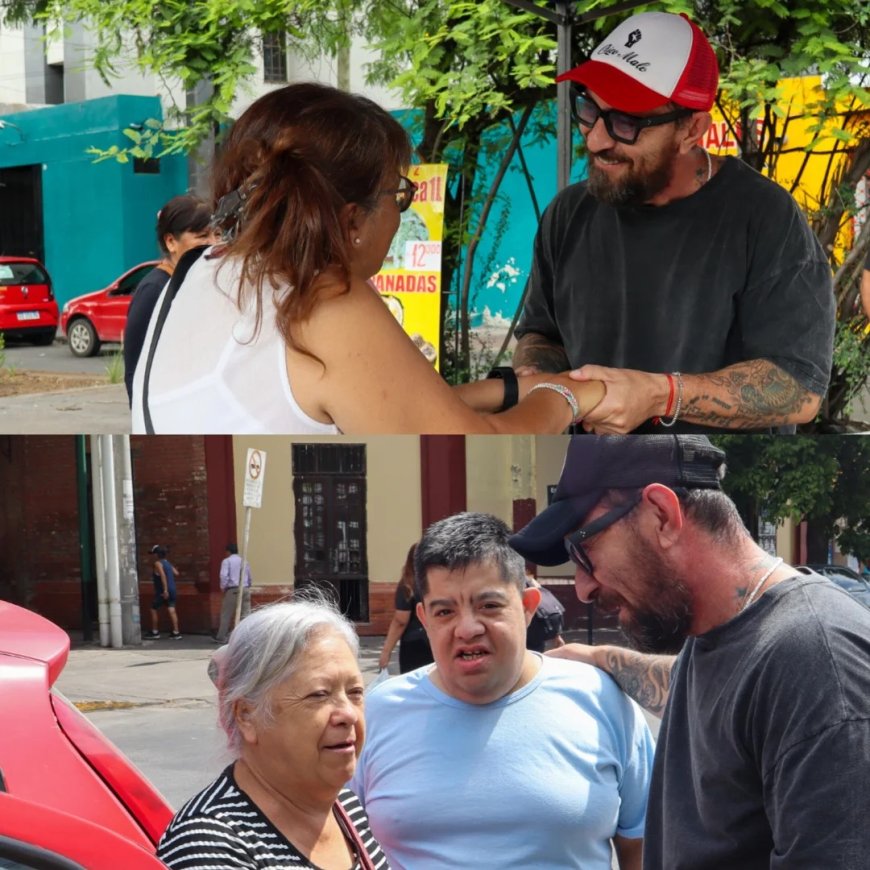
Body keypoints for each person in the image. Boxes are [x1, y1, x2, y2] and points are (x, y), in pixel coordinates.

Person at [130, 82, 605, 434]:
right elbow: (481, 448)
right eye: (400, 195)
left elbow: (384, 407)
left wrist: (506, 389)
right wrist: (571, 395)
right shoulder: (321, 299)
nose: (403, 214)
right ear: (353, 221)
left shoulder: (203, 268)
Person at [509, 435, 870, 869]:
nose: (583, 588)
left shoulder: (815, 658)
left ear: (661, 515)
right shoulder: (718, 634)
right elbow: (715, 698)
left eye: (582, 551)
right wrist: (598, 658)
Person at [513, 11, 835, 434]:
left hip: (716, 489)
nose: (595, 139)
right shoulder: (569, 214)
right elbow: (542, 335)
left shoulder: (765, 219)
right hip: (593, 482)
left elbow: (798, 388)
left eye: (627, 122)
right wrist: (545, 383)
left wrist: (660, 395)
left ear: (691, 128)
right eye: (590, 108)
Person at [351, 512, 654, 870]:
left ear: (528, 607)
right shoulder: (375, 714)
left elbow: (643, 843)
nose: (467, 628)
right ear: (424, 618)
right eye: (445, 611)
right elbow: (335, 839)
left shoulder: (601, 700)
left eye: (489, 606)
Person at [157, 597, 389, 869]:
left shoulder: (344, 806)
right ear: (247, 716)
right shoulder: (211, 844)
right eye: (319, 695)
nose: (348, 714)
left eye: (355, 693)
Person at [123, 195, 219, 403]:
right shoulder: (153, 291)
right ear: (171, 242)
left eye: (217, 234)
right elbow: (135, 373)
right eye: (203, 236)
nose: (212, 243)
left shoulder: (197, 284)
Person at [377, 544, 433, 674]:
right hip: (436, 639)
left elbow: (400, 621)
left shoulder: (407, 585)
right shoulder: (438, 583)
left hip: (414, 643)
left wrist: (386, 651)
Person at [213, 542, 252, 644]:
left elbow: (224, 576)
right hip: (245, 588)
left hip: (233, 589)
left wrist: (223, 587)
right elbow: (249, 575)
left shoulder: (227, 561)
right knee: (246, 614)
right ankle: (246, 636)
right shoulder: (244, 561)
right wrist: (248, 585)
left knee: (226, 614)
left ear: (228, 551)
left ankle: (221, 636)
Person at [524, 570, 566, 652]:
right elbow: (546, 604)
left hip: (529, 626)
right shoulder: (531, 581)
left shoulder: (514, 581)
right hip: (539, 625)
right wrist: (557, 635)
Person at [148, 544, 181, 639]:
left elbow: (162, 576)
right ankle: (176, 632)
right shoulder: (168, 563)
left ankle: (155, 632)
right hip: (173, 589)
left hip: (163, 591)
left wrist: (165, 590)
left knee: (153, 609)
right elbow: (176, 573)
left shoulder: (158, 564)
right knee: (171, 609)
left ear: (156, 555)